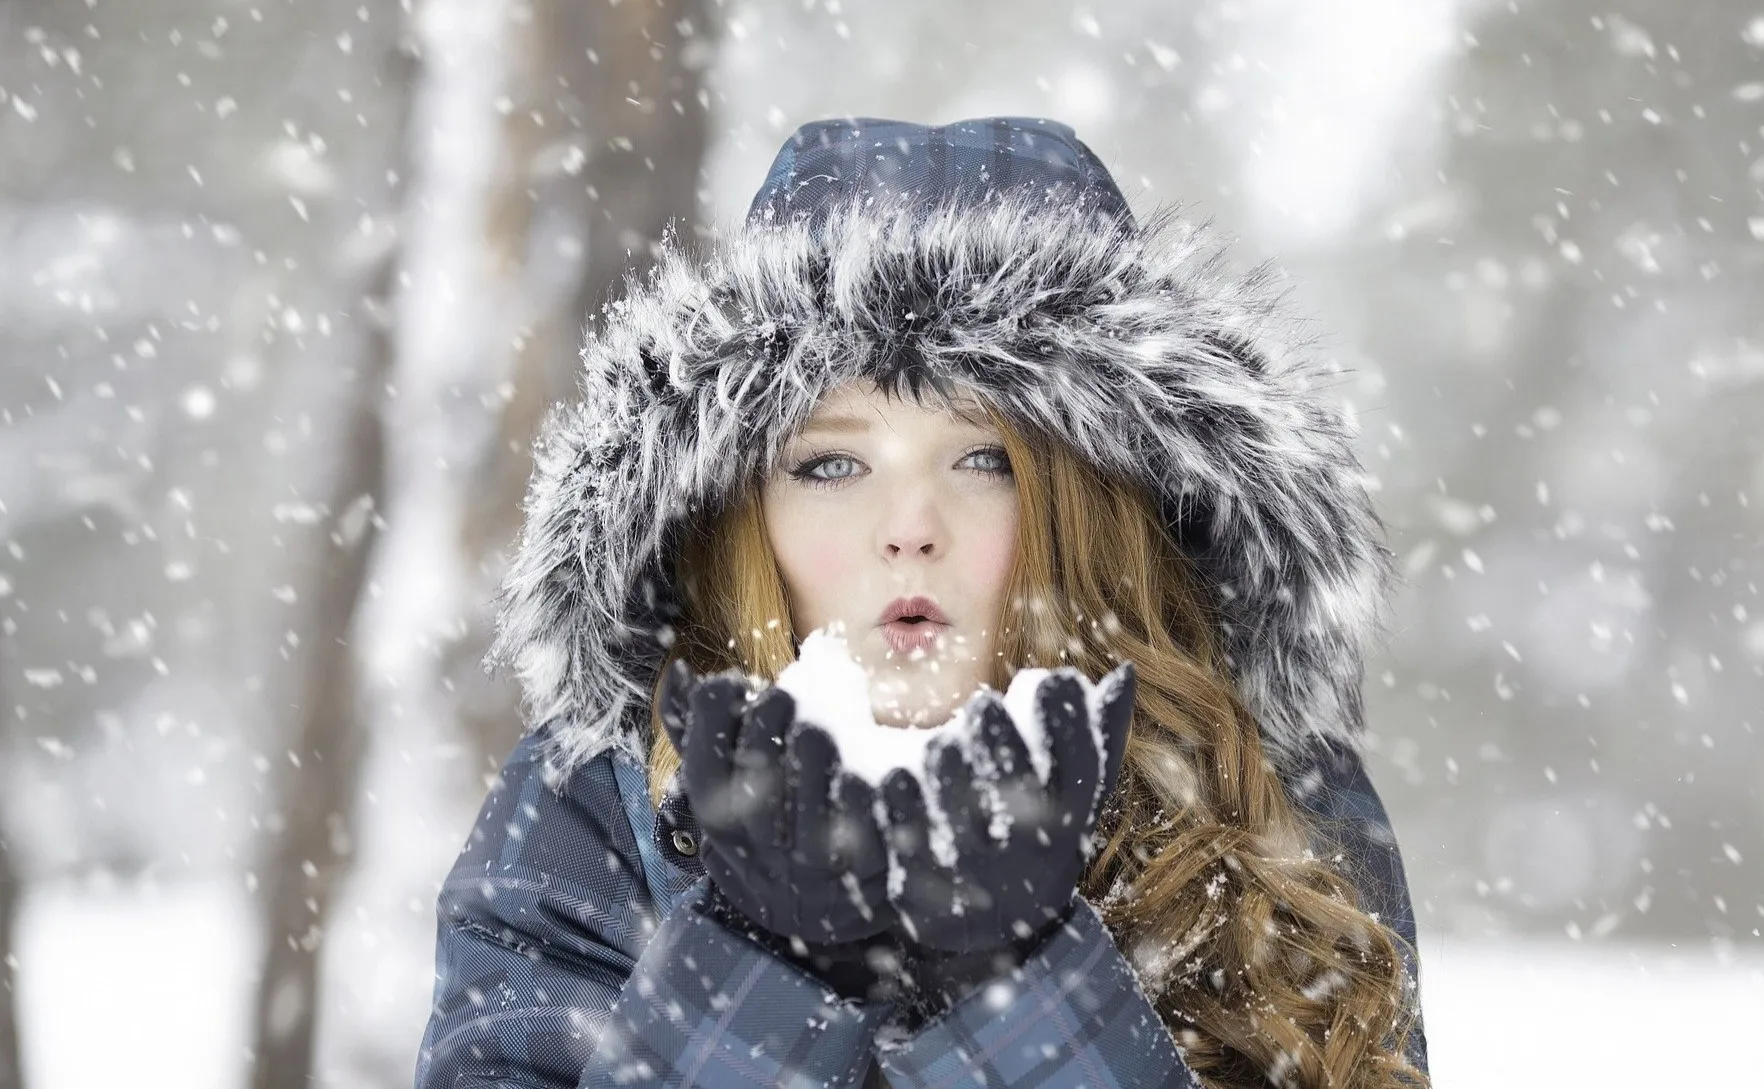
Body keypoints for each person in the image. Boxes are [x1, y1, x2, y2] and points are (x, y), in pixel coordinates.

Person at [413, 116, 1432, 1089]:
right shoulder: (598, 805)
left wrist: (1013, 986)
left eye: (986, 459)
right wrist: (763, 965)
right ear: (735, 512)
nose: (908, 527)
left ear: (1095, 512)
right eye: (831, 464)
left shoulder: (1257, 796)